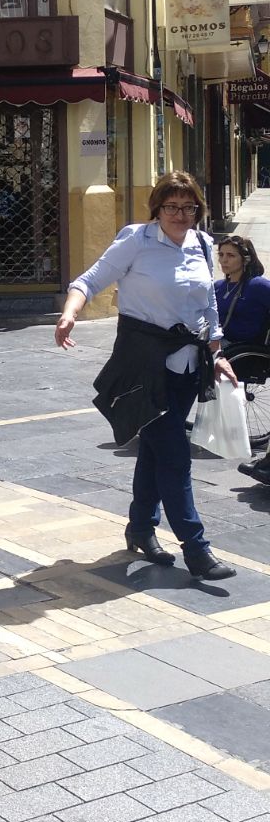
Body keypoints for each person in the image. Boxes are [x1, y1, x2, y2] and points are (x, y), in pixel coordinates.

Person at [55, 170, 237, 582]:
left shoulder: (202, 243)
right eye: (171, 206)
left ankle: (140, 527)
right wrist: (70, 314)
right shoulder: (137, 239)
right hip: (143, 365)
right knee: (174, 456)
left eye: (188, 207)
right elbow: (89, 280)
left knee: (155, 451)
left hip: (188, 367)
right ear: (157, 208)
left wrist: (217, 352)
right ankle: (197, 548)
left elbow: (206, 304)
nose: (180, 214)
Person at [214, 235, 270, 352]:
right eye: (221, 254)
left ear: (246, 259)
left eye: (231, 255)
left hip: (243, 350)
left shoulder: (257, 285)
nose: (224, 260)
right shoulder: (218, 286)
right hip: (217, 342)